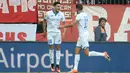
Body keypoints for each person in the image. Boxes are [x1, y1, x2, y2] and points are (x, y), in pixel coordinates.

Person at [59, 4, 110, 73]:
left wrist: (62, 26)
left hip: (83, 36)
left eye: (75, 9)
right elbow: (79, 18)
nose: (75, 11)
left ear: (77, 9)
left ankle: (103, 54)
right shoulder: (85, 14)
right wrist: (74, 14)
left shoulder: (79, 15)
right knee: (77, 51)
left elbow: (72, 25)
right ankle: (75, 69)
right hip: (82, 35)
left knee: (87, 53)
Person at [43, 1, 66, 72]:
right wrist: (44, 31)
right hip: (50, 33)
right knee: (51, 47)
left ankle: (58, 65)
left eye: (60, 6)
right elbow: (44, 21)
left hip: (57, 33)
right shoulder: (48, 14)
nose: (59, 8)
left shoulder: (61, 14)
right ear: (54, 6)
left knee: (58, 48)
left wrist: (64, 32)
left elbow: (64, 23)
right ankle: (52, 63)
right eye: (58, 6)